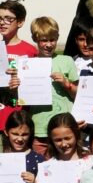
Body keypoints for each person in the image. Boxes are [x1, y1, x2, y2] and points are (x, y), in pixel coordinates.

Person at [28, 16, 80, 157]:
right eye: (44, 40)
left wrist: (66, 84)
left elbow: (78, 95)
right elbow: (22, 99)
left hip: (65, 128)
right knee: (40, 166)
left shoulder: (66, 61)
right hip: (40, 128)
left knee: (67, 163)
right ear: (35, 39)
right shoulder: (29, 65)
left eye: (52, 40)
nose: (49, 44)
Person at [0, 0, 34, 152]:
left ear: (20, 22)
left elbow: (36, 86)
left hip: (20, 121)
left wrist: (21, 82)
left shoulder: (30, 50)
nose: (2, 22)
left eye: (8, 19)